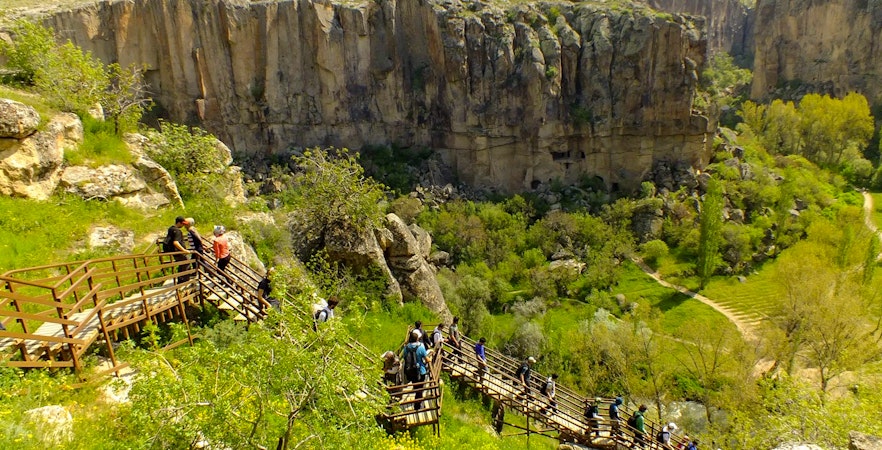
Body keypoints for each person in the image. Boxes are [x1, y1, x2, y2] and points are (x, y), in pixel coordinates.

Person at [402, 330, 428, 409]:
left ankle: (418, 402)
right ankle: (417, 406)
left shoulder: (406, 347)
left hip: (411, 371)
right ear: (417, 339)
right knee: (420, 388)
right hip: (420, 370)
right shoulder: (421, 347)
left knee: (416, 386)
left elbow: (404, 357)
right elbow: (426, 359)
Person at [163, 216, 191, 282]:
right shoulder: (177, 231)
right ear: (178, 223)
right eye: (182, 223)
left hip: (174, 251)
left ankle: (181, 280)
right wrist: (184, 250)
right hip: (178, 251)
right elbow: (175, 242)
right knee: (186, 263)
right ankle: (183, 281)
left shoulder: (171, 228)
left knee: (182, 265)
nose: (183, 225)